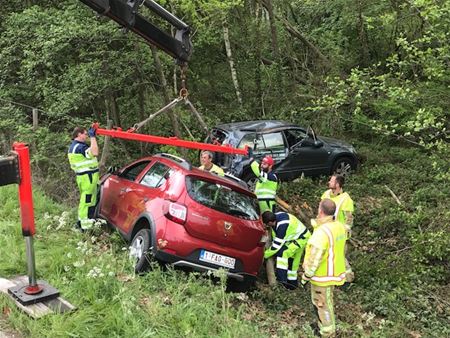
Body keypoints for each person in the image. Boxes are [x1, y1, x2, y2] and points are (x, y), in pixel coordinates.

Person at [301, 199, 347, 337]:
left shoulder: (321, 233)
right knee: (327, 302)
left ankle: (327, 333)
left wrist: (306, 276)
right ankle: (323, 326)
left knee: (322, 305)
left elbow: (315, 259)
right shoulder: (339, 226)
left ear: (320, 211)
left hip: (322, 276)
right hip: (333, 273)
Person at [262, 211, 311, 289]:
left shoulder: (282, 227)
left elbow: (276, 247)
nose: (265, 225)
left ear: (270, 222)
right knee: (293, 263)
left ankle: (282, 283)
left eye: (266, 224)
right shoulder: (276, 217)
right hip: (296, 237)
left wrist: (264, 255)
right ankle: (292, 286)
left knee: (282, 253)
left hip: (301, 239)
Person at [321, 174, 355, 282]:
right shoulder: (326, 194)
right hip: (327, 232)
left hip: (339, 234)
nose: (329, 182)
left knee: (339, 256)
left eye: (331, 181)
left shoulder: (346, 199)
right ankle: (334, 277)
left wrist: (344, 234)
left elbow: (348, 219)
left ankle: (348, 279)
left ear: (338, 184)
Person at [68, 126, 100, 232]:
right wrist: (93, 137)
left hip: (84, 178)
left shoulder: (74, 146)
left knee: (87, 201)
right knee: (87, 202)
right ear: (79, 134)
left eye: (87, 134)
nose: (86, 136)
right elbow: (95, 152)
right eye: (85, 134)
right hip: (88, 178)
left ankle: (82, 223)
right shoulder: (79, 147)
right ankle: (84, 228)